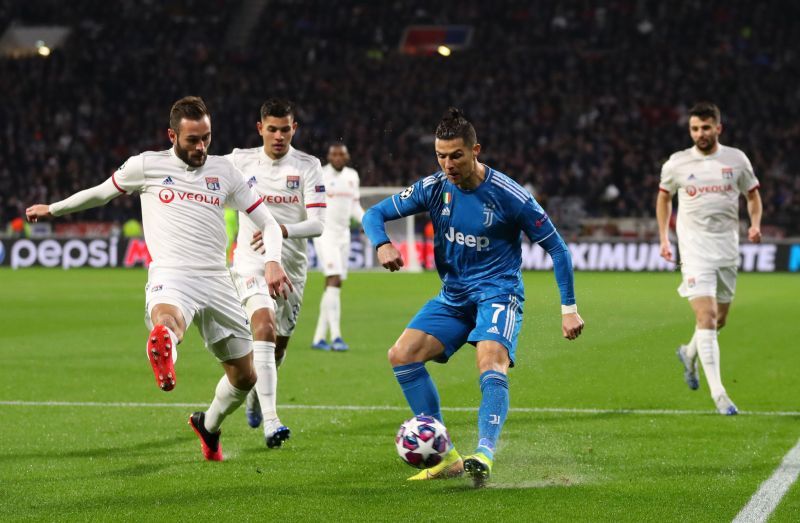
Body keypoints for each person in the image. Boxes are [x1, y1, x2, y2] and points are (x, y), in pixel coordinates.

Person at [26, 96, 292, 461]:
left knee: (246, 377)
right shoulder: (146, 165)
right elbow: (101, 194)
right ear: (172, 135)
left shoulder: (225, 172)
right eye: (192, 140)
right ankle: (164, 344)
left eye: (206, 138)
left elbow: (268, 223)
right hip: (172, 272)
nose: (201, 147)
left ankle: (208, 425)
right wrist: (54, 208)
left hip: (217, 279)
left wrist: (273, 261)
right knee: (169, 321)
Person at [362, 108, 584, 485]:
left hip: (499, 293)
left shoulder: (509, 195)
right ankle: (447, 456)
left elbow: (558, 249)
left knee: (490, 361)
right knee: (401, 355)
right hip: (454, 297)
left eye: (456, 156)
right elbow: (374, 213)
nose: (447, 164)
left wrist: (569, 309)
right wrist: (382, 244)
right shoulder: (434, 188)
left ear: (475, 149)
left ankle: (484, 452)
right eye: (440, 156)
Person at [227, 98, 326, 447]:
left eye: (285, 129)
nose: (279, 136)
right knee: (264, 327)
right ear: (260, 129)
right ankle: (272, 420)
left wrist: (279, 230)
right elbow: (200, 176)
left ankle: (256, 395)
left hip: (292, 267)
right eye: (272, 129)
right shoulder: (239, 161)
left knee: (279, 344)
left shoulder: (309, 166)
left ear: (294, 129)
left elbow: (317, 224)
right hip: (250, 262)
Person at [656, 101, 762, 416]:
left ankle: (688, 354)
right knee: (707, 317)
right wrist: (663, 236)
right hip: (694, 249)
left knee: (719, 320)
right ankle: (720, 395)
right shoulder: (677, 163)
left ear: (718, 128)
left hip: (727, 248)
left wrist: (755, 224)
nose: (700, 133)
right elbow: (664, 198)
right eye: (694, 128)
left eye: (705, 128)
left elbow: (753, 196)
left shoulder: (736, 160)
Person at [311, 143, 364, 351]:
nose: (338, 157)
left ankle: (318, 337)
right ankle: (337, 336)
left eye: (342, 153)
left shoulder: (352, 176)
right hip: (325, 235)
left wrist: (367, 221)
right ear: (329, 156)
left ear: (347, 156)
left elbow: (354, 207)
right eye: (334, 154)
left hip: (344, 236)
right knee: (334, 279)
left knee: (333, 285)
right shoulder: (320, 175)